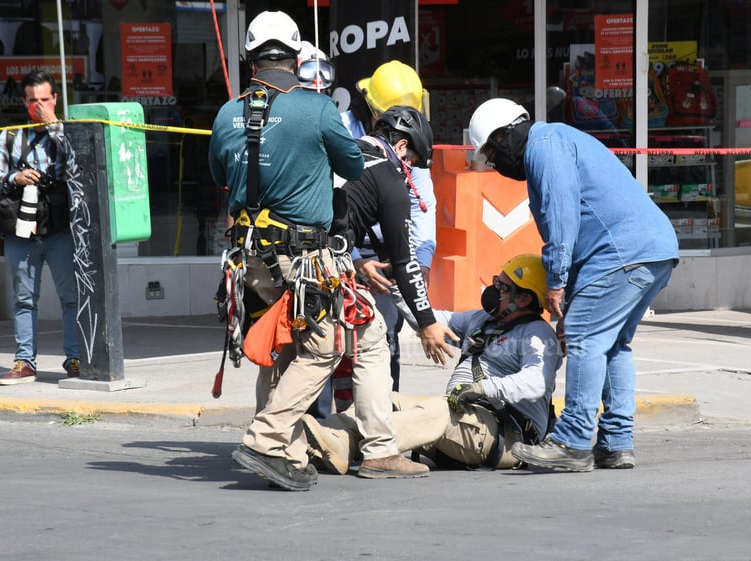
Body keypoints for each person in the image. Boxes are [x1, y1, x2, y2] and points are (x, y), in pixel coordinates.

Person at [208, 11, 437, 491]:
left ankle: (287, 453)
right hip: (303, 255)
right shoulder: (315, 108)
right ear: (296, 59)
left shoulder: (227, 114)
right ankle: (268, 439)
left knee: (281, 346)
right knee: (326, 345)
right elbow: (352, 165)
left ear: (250, 58)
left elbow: (219, 175)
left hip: (249, 258)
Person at [467, 98, 679, 473]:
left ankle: (573, 442)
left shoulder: (544, 147)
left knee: (584, 335)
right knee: (613, 344)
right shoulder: (557, 141)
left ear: (506, 133)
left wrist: (556, 283)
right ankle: (615, 443)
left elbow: (562, 220)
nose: (495, 162)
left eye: (493, 151)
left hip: (622, 250)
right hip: (651, 247)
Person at [301, 254, 562, 473]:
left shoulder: (537, 335)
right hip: (465, 420)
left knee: (440, 407)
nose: (493, 292)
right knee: (385, 399)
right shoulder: (482, 320)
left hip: (504, 435)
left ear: (524, 299)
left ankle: (364, 446)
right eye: (496, 282)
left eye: (503, 288)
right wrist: (396, 285)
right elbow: (430, 321)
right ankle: (328, 438)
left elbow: (536, 382)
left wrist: (484, 389)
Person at [340, 59, 438, 395]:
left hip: (378, 248)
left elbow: (423, 204)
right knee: (356, 345)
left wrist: (421, 259)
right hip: (342, 251)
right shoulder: (342, 134)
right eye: (409, 161)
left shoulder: (401, 146)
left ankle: (382, 414)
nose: (409, 168)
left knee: (382, 335)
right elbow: (330, 206)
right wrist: (352, 256)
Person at [0, 70, 80, 385]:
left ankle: (75, 359)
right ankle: (25, 361)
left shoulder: (67, 132)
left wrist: (54, 123)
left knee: (71, 297)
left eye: (44, 100)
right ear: (23, 101)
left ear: (54, 99)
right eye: (32, 101)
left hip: (58, 230)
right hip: (21, 231)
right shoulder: (11, 135)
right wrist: (17, 177)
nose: (38, 106)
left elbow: (80, 165)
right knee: (24, 299)